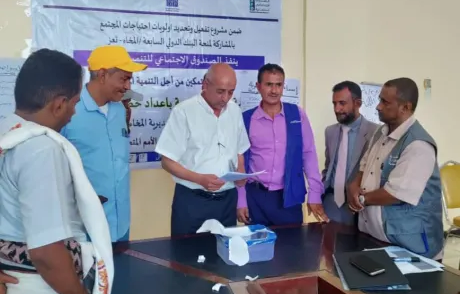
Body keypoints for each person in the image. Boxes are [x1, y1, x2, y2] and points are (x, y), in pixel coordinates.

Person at [0, 48, 118, 294]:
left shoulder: (6, 131)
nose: (74, 113)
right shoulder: (42, 150)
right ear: (59, 104)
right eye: (75, 103)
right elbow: (46, 251)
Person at [347, 78, 444, 259]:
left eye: (385, 102)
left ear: (405, 107)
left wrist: (360, 199)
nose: (378, 106)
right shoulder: (380, 132)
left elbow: (395, 193)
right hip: (376, 238)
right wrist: (354, 186)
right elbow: (364, 167)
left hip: (409, 246)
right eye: (380, 100)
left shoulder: (418, 145)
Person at [61, 46, 147, 242]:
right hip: (84, 227)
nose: (128, 86)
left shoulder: (120, 110)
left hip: (120, 224)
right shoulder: (69, 110)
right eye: (123, 79)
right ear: (102, 75)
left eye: (130, 80)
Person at [155, 63, 250, 236]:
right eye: (220, 91)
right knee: (187, 251)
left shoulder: (235, 111)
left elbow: (239, 150)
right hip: (193, 201)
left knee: (225, 251)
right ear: (204, 84)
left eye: (230, 92)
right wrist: (199, 179)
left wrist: (241, 171)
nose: (225, 98)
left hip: (227, 201)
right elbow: (167, 161)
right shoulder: (184, 112)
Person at [237, 63, 327, 226]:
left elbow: (308, 154)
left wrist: (315, 193)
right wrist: (241, 199)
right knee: (257, 242)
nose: (274, 90)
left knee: (292, 241)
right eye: (269, 84)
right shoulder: (246, 119)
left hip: (289, 197)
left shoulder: (297, 115)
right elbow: (239, 163)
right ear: (258, 86)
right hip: (255, 197)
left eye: (278, 85)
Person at [322, 81, 378, 225]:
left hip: (360, 206)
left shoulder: (376, 133)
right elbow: (328, 166)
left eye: (342, 103)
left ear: (357, 103)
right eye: (334, 103)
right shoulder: (330, 132)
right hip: (331, 203)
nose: (337, 109)